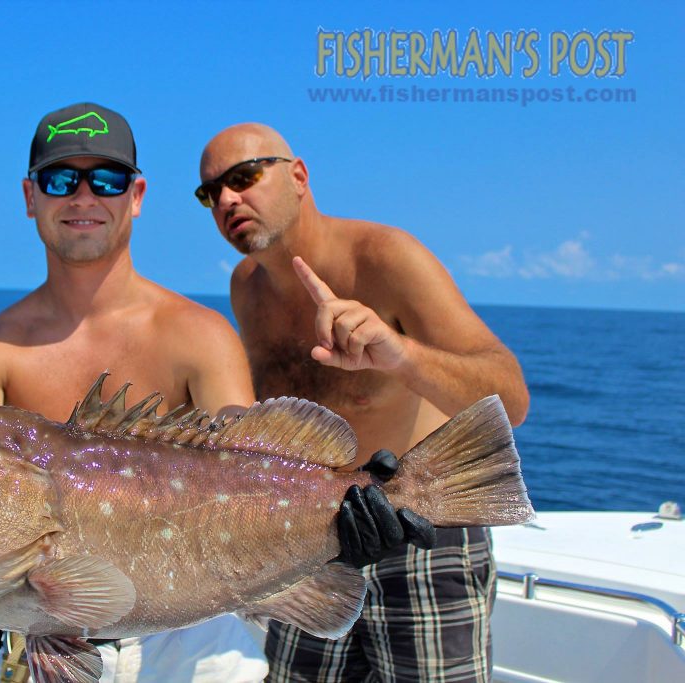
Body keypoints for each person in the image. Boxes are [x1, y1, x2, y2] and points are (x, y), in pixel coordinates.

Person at [0, 103, 428, 683]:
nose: (83, 197)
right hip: (41, 637)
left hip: (199, 644)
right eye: (59, 179)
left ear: (137, 194)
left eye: (107, 179)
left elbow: (257, 469)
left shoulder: (199, 334)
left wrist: (347, 519)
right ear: (30, 196)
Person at [196, 123, 530, 683]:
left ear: (298, 176)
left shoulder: (386, 257)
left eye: (244, 177)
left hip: (422, 526)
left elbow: (511, 396)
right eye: (211, 192)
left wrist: (400, 356)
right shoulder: (244, 287)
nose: (228, 199)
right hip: (314, 534)